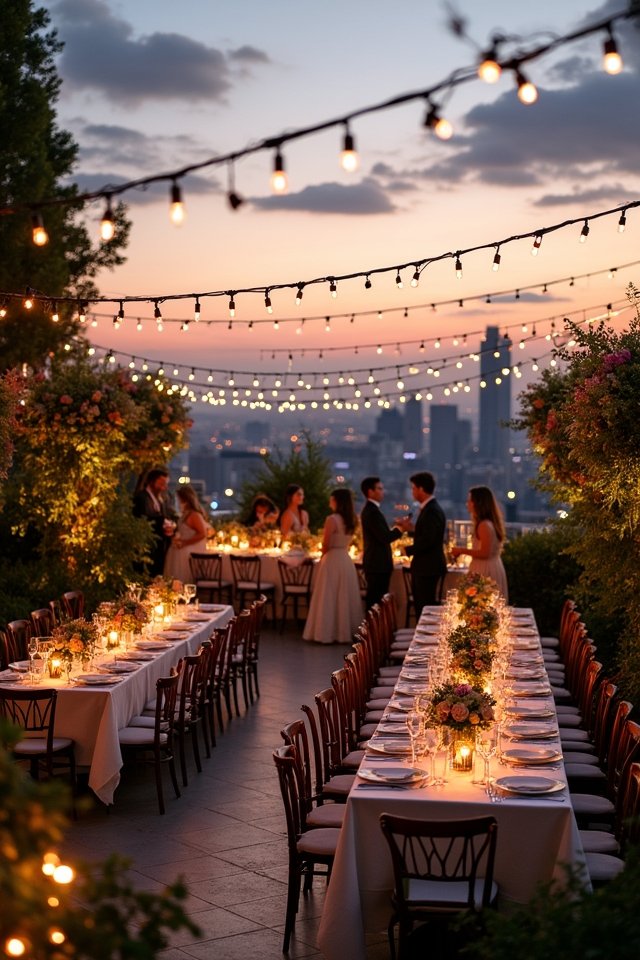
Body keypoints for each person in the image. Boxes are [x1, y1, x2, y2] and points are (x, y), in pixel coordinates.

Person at [303, 488, 363, 644]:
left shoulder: (332, 519)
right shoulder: (353, 519)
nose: (330, 502)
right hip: (345, 559)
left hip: (332, 560)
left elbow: (326, 544)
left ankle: (326, 632)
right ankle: (344, 631)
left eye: (331, 499)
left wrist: (322, 555)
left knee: (328, 596)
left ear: (337, 501)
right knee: (344, 595)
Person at [451, 485, 509, 601]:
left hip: (485, 569)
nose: (467, 503)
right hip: (491, 565)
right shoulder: (488, 523)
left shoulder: (484, 525)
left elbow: (485, 553)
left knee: (482, 602)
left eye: (470, 500)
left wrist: (461, 551)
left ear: (477, 503)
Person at [404, 471, 447, 618]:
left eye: (413, 488)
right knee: (422, 606)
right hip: (426, 566)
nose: (412, 492)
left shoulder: (432, 510)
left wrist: (407, 550)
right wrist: (410, 531)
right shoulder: (430, 509)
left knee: (424, 608)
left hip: (427, 567)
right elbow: (426, 535)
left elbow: (428, 540)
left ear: (421, 489)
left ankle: (423, 639)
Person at [360, 476, 404, 610]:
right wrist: (400, 529)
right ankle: (374, 629)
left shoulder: (372, 510)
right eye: (379, 488)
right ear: (370, 491)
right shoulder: (372, 511)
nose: (382, 491)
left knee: (377, 598)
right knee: (375, 600)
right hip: (377, 564)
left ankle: (375, 628)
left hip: (377, 563)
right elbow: (384, 537)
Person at [133, 467, 175, 576]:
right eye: (161, 483)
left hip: (160, 546)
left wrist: (171, 524)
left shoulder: (162, 499)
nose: (164, 487)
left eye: (165, 484)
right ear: (151, 481)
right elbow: (143, 519)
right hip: (147, 546)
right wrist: (162, 522)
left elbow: (168, 515)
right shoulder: (141, 498)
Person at [164, 485, 209, 583]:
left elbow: (202, 534)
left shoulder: (194, 515)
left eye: (178, 499)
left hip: (189, 549)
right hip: (179, 546)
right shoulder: (185, 514)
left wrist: (185, 542)